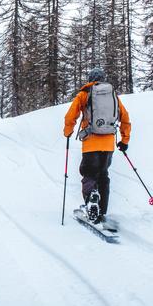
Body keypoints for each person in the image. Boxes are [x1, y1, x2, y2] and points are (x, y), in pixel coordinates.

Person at [62, 67, 131, 224]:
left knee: (89, 174)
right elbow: (125, 118)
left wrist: (68, 131)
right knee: (103, 175)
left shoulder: (84, 94)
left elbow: (70, 115)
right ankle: (101, 210)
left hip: (90, 143)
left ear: (90, 79)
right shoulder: (112, 96)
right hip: (108, 145)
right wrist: (124, 140)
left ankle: (92, 198)